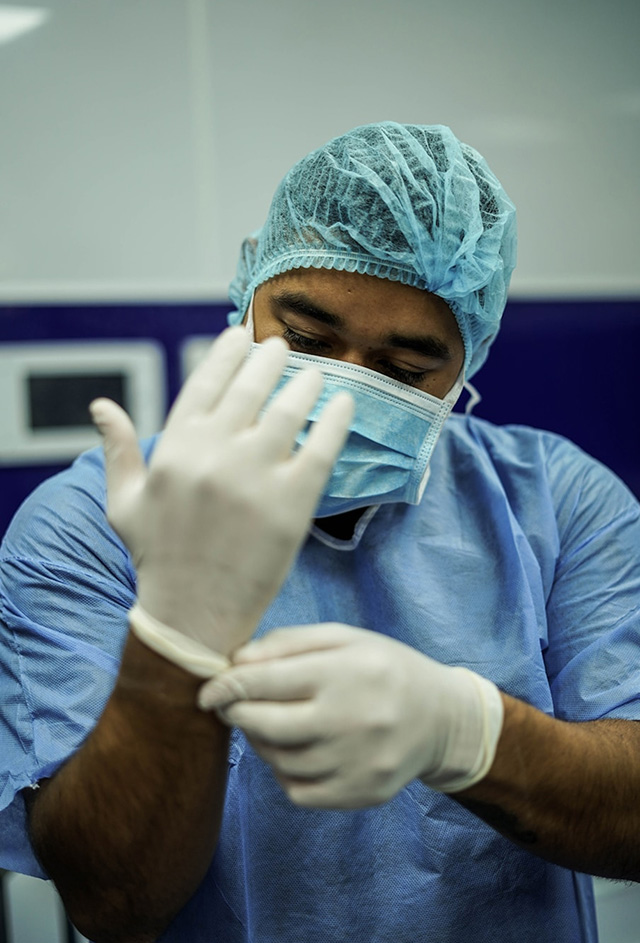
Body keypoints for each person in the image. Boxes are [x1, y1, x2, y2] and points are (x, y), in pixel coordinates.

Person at [1, 122, 640, 943]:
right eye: (306, 341)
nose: (345, 391)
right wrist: (176, 637)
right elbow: (112, 901)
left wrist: (470, 733)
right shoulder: (89, 527)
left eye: (404, 373)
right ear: (246, 295)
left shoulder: (558, 503)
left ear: (465, 362)